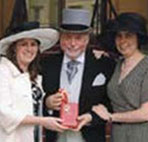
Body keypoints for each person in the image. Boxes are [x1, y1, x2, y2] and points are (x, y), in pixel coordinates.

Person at [41, 9, 115, 142]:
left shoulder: (103, 64)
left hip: (90, 135)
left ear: (87, 39)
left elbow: (111, 102)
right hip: (57, 136)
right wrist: (47, 103)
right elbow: (37, 96)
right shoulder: (48, 64)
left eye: (78, 38)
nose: (73, 43)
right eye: (67, 37)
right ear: (61, 38)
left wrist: (92, 116)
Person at [0, 21, 67, 142]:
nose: (29, 49)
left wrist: (49, 104)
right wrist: (43, 121)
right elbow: (6, 115)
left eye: (33, 44)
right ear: (13, 48)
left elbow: (35, 107)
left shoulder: (34, 77)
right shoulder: (0, 72)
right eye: (24, 44)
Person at [92, 12, 148, 142]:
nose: (123, 41)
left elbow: (146, 114)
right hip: (118, 134)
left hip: (142, 134)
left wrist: (110, 117)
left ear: (138, 39)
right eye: (119, 36)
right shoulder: (118, 65)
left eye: (128, 36)